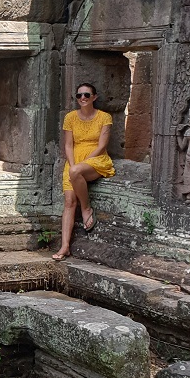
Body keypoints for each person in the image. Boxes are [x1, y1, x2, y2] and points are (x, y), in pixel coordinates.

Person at [53, 82, 115, 261]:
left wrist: (84, 162)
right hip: (74, 159)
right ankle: (65, 246)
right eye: (79, 95)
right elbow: (68, 144)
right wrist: (73, 164)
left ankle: (86, 208)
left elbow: (102, 145)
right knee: (69, 201)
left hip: (96, 158)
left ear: (94, 97)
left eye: (87, 95)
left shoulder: (104, 117)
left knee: (76, 171)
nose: (82, 98)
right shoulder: (70, 117)